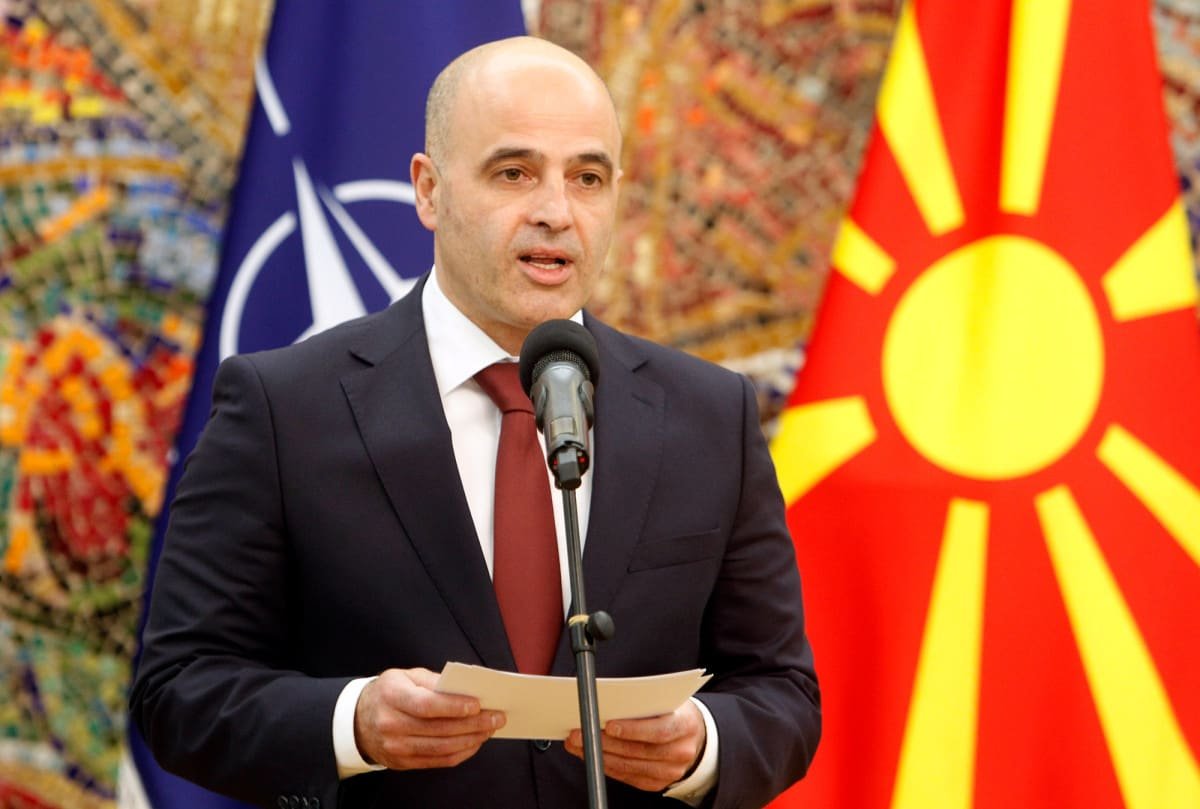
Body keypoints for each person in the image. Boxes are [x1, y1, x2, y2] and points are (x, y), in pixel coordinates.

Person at [130, 36, 820, 809]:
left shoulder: (710, 415)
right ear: (429, 191)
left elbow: (782, 690)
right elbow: (180, 688)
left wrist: (701, 744)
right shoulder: (282, 406)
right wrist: (353, 723)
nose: (556, 212)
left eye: (588, 178)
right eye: (514, 172)